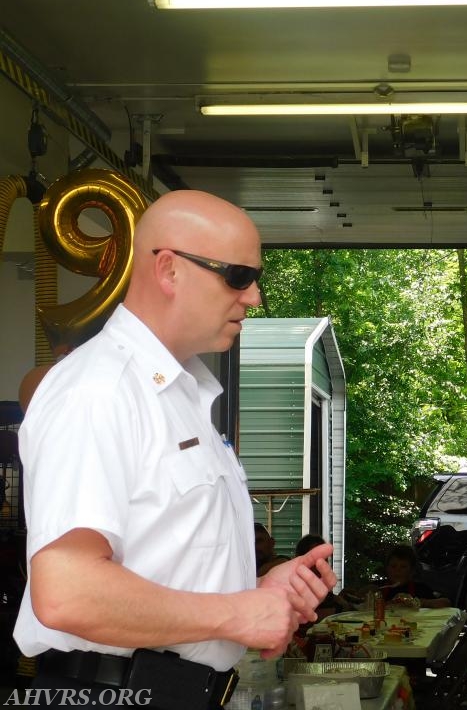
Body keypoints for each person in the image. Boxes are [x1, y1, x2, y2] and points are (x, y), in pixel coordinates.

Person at [13, 190, 337, 707]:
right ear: (168, 270)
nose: (253, 296)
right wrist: (237, 614)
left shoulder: (178, 393)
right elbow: (66, 591)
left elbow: (163, 561)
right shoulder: (100, 389)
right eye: (237, 276)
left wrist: (259, 592)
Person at [380, 545, 450, 609]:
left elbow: (445, 602)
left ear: (412, 571)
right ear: (387, 569)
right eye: (393, 566)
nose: (398, 570)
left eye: (403, 566)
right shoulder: (379, 588)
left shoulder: (421, 589)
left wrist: (420, 602)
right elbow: (369, 591)